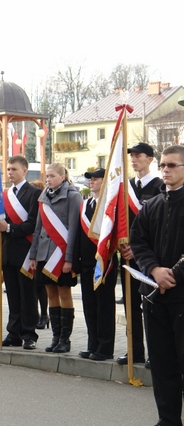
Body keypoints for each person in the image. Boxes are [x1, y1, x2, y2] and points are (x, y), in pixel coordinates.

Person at [130, 144, 184, 426]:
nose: (165, 170)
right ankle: (168, 421)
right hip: (154, 297)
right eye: (162, 165)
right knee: (162, 366)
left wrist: (173, 275)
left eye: (172, 165)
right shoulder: (152, 205)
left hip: (181, 295)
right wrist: (153, 269)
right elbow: (138, 241)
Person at [117, 142, 162, 367]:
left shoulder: (159, 186)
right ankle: (134, 350)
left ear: (150, 159)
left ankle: (156, 352)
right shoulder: (126, 187)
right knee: (131, 305)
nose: (133, 160)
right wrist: (120, 244)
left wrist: (138, 248)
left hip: (150, 257)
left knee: (151, 307)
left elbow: (159, 225)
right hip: (127, 256)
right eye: (132, 156)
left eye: (138, 156)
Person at [29, 163, 82, 353]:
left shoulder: (73, 196)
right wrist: (33, 255)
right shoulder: (43, 195)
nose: (48, 179)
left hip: (61, 254)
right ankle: (55, 337)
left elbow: (74, 229)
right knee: (50, 293)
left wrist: (69, 258)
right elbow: (38, 228)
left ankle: (65, 339)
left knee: (64, 293)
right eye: (47, 176)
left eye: (52, 176)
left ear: (62, 177)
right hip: (45, 253)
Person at [0, 156, 42, 349]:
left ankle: (29, 334)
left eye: (14, 169)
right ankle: (13, 333)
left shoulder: (34, 193)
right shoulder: (5, 195)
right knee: (13, 296)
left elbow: (32, 224)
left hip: (26, 252)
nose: (10, 172)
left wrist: (8, 228)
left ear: (24, 170)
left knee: (28, 296)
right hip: (8, 252)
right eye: (8, 169)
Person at [75, 168, 117, 361]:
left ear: (105, 181)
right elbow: (79, 234)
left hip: (104, 261)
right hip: (86, 262)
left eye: (95, 179)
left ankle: (105, 347)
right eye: (89, 179)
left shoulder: (109, 204)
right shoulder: (85, 205)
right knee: (89, 304)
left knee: (104, 305)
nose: (91, 182)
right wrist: (77, 259)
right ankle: (93, 344)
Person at [29, 179, 50, 329]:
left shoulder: (42, 205)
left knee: (39, 284)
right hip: (27, 245)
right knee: (32, 286)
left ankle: (43, 315)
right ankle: (35, 314)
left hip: (39, 246)